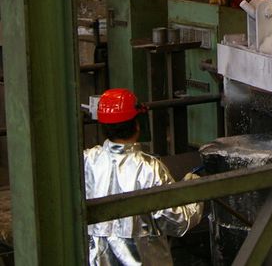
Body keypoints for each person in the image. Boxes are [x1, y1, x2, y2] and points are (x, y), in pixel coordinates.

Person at [84, 88, 203, 265]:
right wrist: (194, 194)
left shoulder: (87, 159)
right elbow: (179, 221)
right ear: (137, 124)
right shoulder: (149, 167)